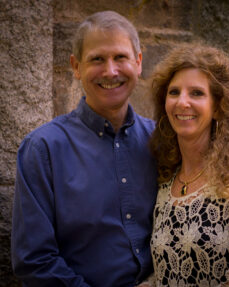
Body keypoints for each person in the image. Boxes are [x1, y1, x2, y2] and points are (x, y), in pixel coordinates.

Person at [11, 11, 157, 287]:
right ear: (76, 67)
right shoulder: (42, 150)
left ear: (138, 63)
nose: (111, 71)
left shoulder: (162, 141)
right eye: (97, 59)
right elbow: (34, 260)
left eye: (121, 57)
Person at [146, 44, 229, 286]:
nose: (182, 102)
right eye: (174, 92)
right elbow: (168, 276)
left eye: (196, 93)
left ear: (218, 107)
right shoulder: (167, 180)